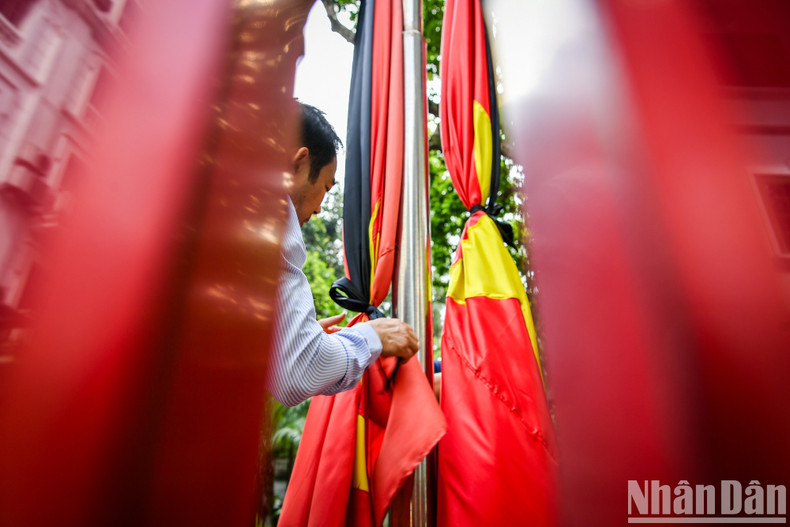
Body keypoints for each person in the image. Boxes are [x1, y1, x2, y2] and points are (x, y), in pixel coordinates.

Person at [267, 102, 419, 406]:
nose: (320, 207)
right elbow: (300, 372)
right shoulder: (274, 216)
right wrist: (371, 336)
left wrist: (298, 340)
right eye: (325, 187)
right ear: (298, 163)